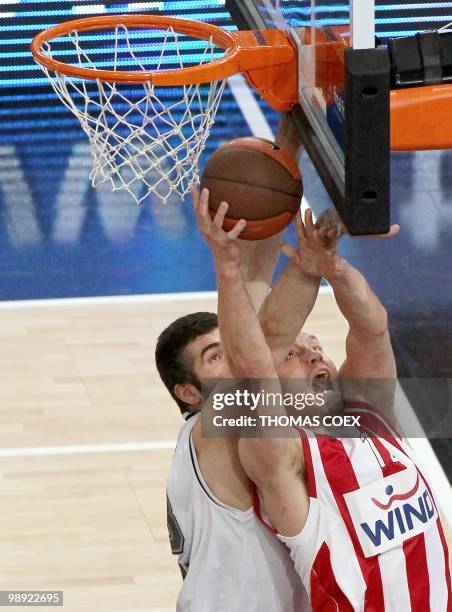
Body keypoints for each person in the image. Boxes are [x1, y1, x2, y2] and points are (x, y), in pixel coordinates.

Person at [196, 193, 451, 612]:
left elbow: (372, 329)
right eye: (293, 356)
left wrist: (333, 262)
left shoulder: (372, 416)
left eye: (316, 347)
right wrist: (228, 269)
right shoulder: (287, 461)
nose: (314, 355)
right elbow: (253, 365)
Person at [155, 116, 310, 611]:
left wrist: (289, 143)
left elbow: (257, 275)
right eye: (214, 355)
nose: (239, 355)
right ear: (189, 393)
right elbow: (263, 340)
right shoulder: (216, 426)